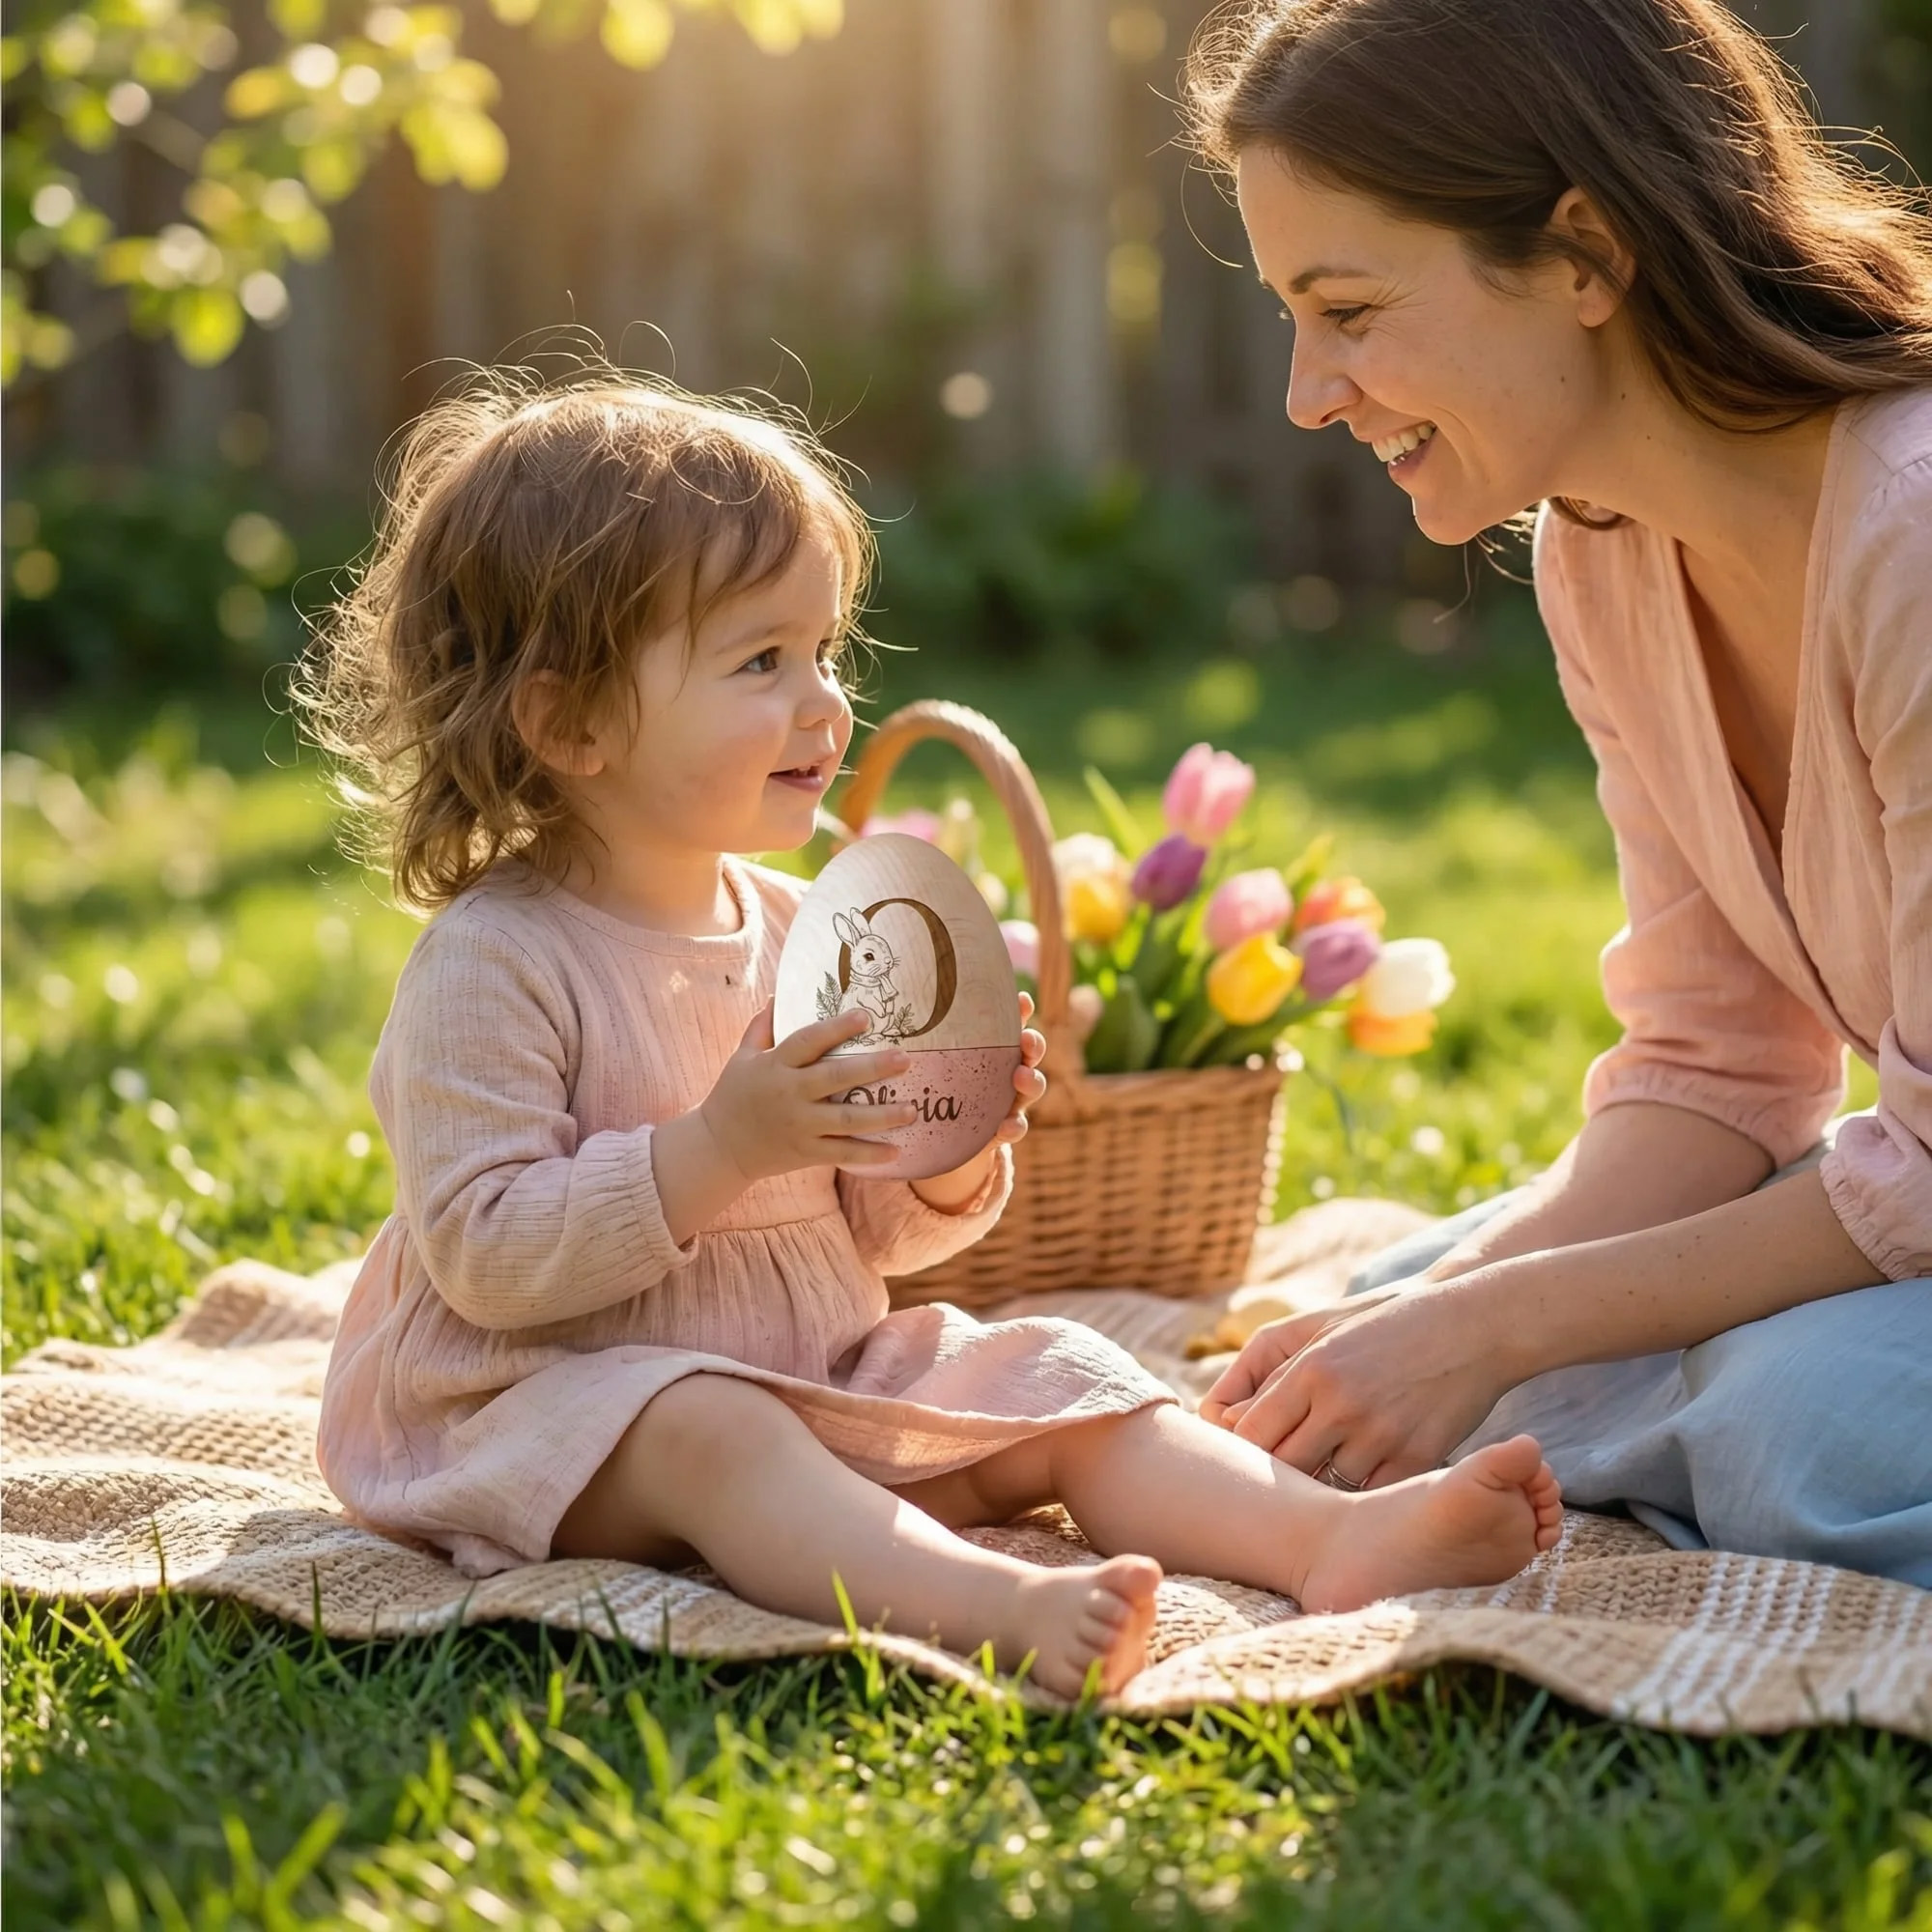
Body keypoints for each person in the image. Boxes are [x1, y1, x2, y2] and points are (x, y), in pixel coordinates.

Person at [299, 373, 1561, 1697]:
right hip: (542, 1407)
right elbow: (487, 1255)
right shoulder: (496, 963)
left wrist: (947, 1161)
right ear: (569, 723)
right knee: (713, 1429)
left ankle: (1333, 1541)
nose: (825, 706)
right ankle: (987, 1600)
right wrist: (715, 1149)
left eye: (825, 652)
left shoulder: (808, 925)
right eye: (759, 661)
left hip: (809, 1366)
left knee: (1049, 1369)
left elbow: (874, 1236)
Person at [1183, 0, 1932, 1583]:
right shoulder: (1603, 553)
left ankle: (1657, 1432)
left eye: (1353, 309)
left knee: (1784, 1421)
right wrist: (1432, 1324)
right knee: (1404, 1307)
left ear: (1585, 254)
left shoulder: (1914, 541)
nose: (1313, 392)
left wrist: (1489, 1328)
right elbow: (1717, 1068)